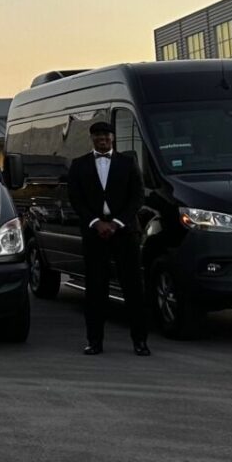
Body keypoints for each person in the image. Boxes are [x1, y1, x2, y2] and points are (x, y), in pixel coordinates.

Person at [67, 121, 152, 356]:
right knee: (95, 288)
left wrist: (117, 222)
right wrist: (96, 222)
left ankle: (140, 341)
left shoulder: (127, 163)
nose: (102, 139)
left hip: (124, 232)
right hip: (95, 233)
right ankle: (94, 341)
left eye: (106, 135)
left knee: (133, 287)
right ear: (92, 138)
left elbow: (137, 197)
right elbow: (76, 199)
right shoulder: (79, 165)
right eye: (97, 135)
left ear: (112, 138)